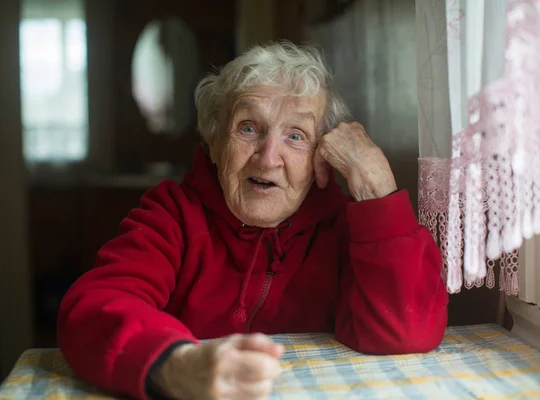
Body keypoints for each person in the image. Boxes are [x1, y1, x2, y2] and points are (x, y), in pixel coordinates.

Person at [58, 42, 448, 400]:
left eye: (296, 136)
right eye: (248, 128)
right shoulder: (172, 215)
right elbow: (94, 309)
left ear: (321, 160)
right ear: (214, 142)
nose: (267, 158)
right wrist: (174, 366)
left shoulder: (345, 229)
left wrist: (379, 191)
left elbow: (407, 332)